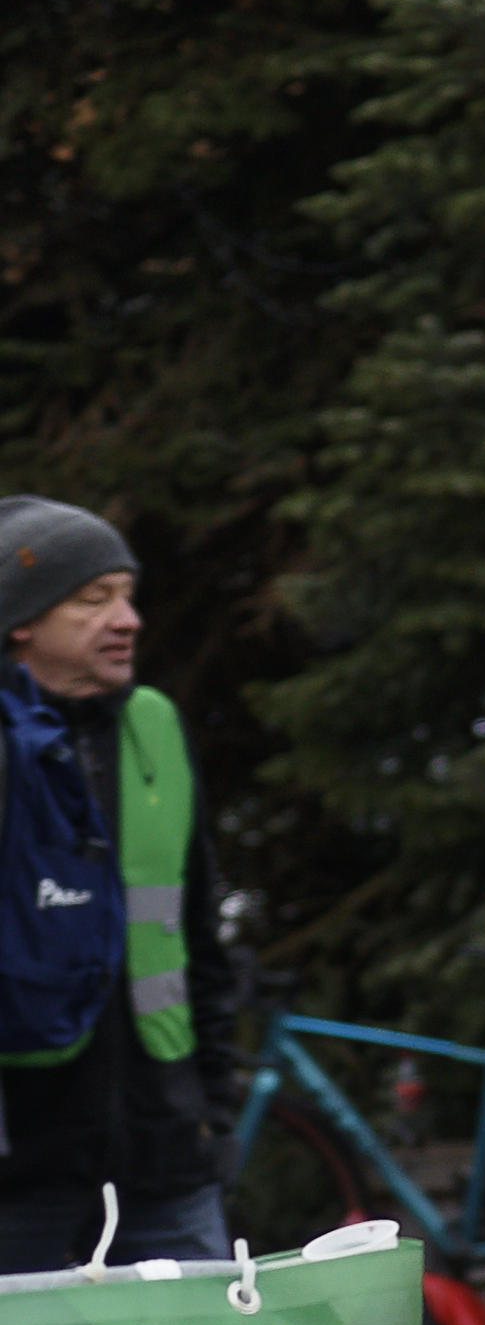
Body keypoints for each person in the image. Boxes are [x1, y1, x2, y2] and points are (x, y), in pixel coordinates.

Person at [0, 500, 237, 1272]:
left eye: (128, 594)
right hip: (22, 1164)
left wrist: (215, 1113)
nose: (127, 618)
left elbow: (197, 933)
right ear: (21, 623)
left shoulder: (156, 725)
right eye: (93, 598)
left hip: (164, 1152)